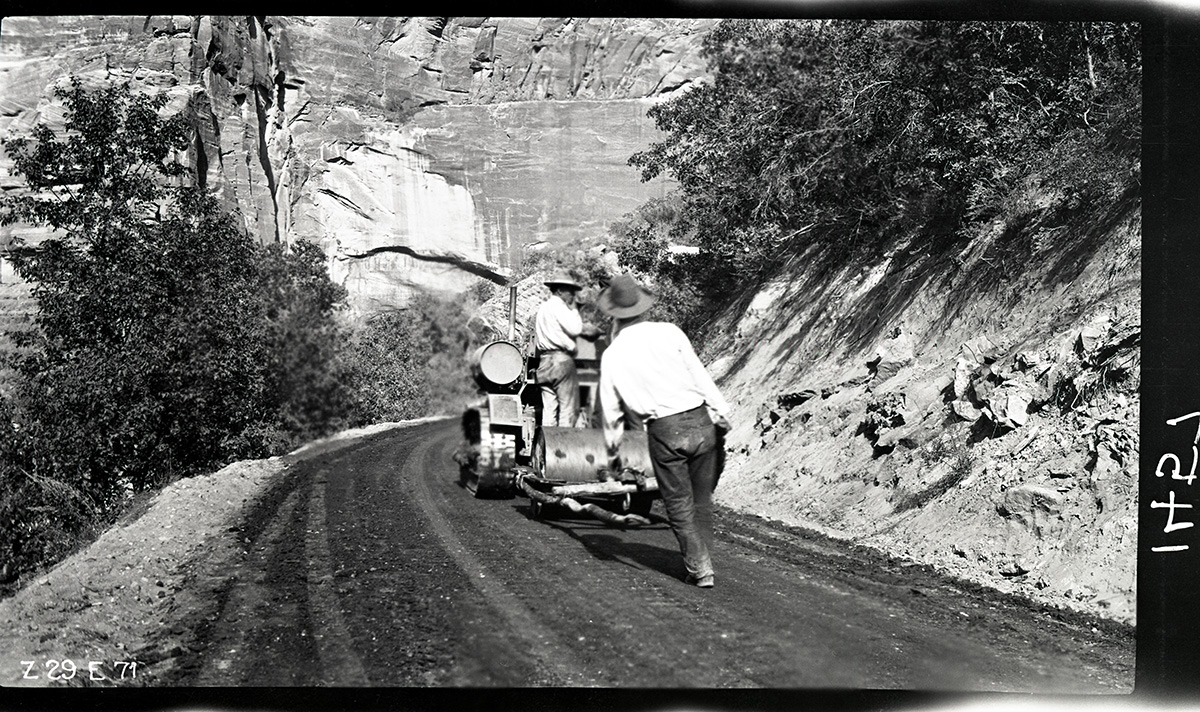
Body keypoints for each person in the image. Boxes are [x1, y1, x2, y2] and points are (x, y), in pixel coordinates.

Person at [597, 274, 732, 588]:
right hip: (701, 421)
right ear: (642, 307)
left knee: (678, 505)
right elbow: (698, 373)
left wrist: (613, 450)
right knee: (700, 498)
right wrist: (721, 410)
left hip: (665, 431)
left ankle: (701, 569)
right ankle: (700, 556)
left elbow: (611, 411)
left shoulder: (613, 354)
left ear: (613, 315)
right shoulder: (670, 332)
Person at [534, 270, 599, 428]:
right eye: (570, 292)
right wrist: (576, 309)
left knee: (549, 408)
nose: (572, 296)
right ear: (560, 290)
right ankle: (564, 446)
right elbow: (575, 329)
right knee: (568, 409)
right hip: (561, 360)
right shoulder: (560, 306)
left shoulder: (543, 308)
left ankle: (547, 444)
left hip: (544, 361)